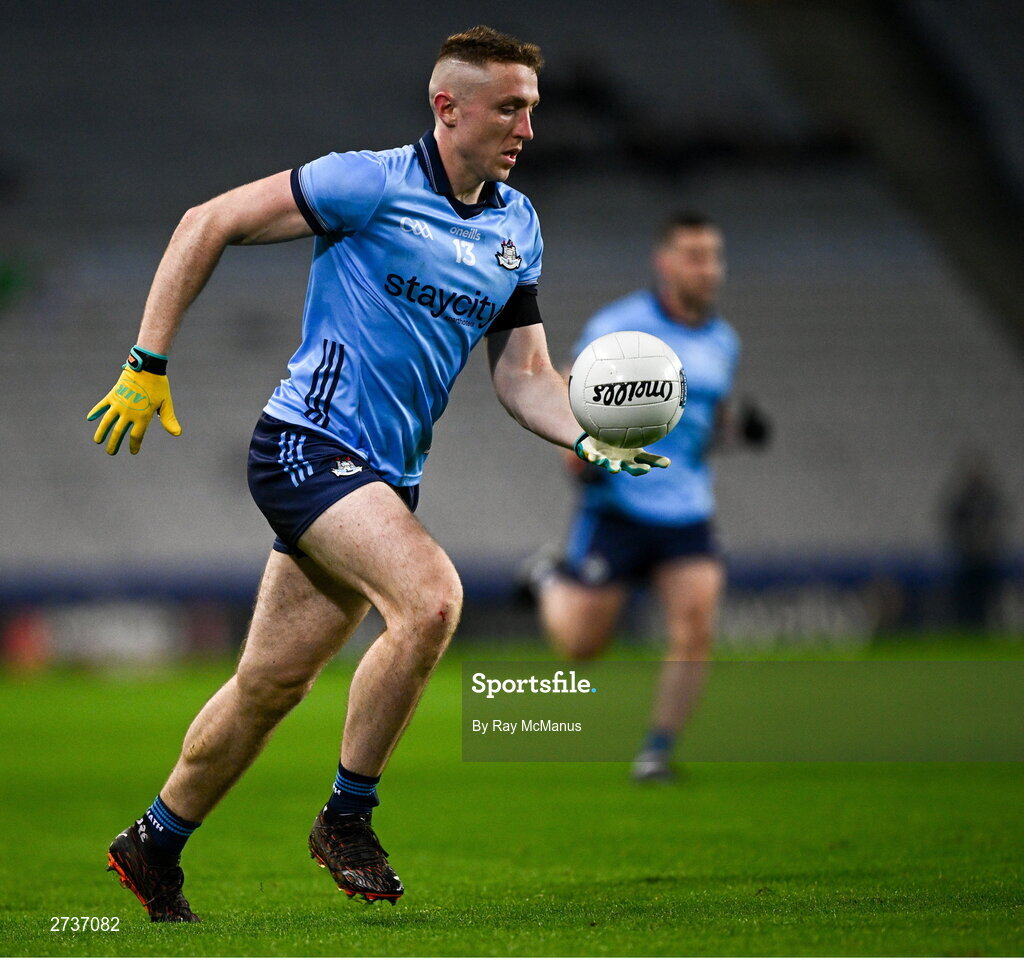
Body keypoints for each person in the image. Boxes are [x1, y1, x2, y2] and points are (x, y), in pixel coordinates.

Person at [86, 26, 670, 922]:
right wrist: (146, 360)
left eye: (532, 108)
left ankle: (154, 842)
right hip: (305, 442)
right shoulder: (369, 182)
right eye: (510, 106)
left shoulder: (517, 228)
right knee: (432, 597)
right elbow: (207, 221)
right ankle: (347, 816)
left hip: (382, 477)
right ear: (448, 107)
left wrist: (587, 436)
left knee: (270, 685)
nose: (526, 126)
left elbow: (524, 376)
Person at [532, 212, 769, 782]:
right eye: (693, 255)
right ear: (665, 263)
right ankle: (545, 578)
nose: (707, 268)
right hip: (618, 504)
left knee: (695, 625)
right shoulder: (621, 326)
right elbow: (569, 392)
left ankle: (656, 751)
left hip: (687, 507)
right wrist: (578, 453)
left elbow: (702, 423)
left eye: (713, 255)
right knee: (582, 649)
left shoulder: (722, 342)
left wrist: (735, 430)